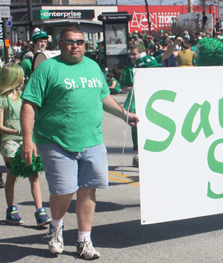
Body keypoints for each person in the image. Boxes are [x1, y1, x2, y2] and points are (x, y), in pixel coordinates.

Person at [20, 26, 140, 259]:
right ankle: (56, 227)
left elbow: (104, 97)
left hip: (92, 140)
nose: (75, 46)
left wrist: (124, 115)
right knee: (64, 190)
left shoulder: (93, 67)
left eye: (79, 42)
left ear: (86, 44)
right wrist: (27, 139)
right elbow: (29, 104)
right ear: (60, 44)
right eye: (69, 42)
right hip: (56, 141)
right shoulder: (47, 68)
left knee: (88, 190)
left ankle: (84, 240)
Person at [0, 63, 51, 226]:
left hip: (28, 141)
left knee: (34, 175)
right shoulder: (2, 99)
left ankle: (40, 212)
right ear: (13, 77)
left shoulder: (24, 96)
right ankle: (12, 210)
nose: (24, 78)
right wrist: (17, 132)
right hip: (10, 143)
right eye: (21, 75)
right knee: (12, 176)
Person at [121, 39, 181, 167]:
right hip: (136, 102)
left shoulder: (149, 62)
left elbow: (166, 54)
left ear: (142, 54)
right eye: (130, 54)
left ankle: (155, 153)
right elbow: (123, 87)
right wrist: (136, 87)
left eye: (134, 54)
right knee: (136, 127)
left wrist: (175, 43)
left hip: (153, 100)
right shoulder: (128, 68)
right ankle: (137, 155)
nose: (132, 57)